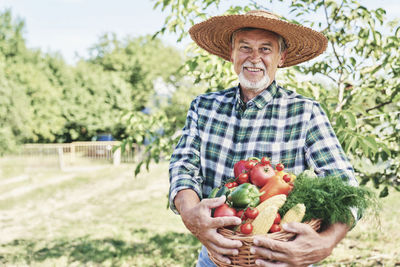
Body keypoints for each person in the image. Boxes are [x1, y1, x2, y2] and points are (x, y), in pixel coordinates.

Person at [169, 10, 358, 267]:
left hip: (283, 258)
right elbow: (183, 166)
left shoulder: (305, 111)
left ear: (281, 57)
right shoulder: (203, 107)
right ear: (232, 54)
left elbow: (345, 185)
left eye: (266, 49)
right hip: (216, 257)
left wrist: (325, 243)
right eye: (245, 47)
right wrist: (191, 215)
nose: (254, 58)